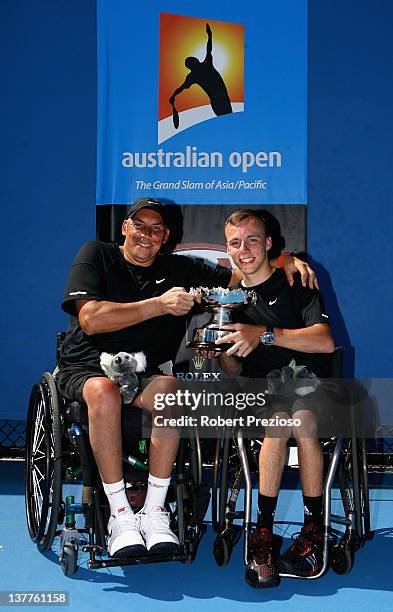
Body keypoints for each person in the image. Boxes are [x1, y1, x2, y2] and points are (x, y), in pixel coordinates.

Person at [58, 198, 317, 559]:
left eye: (156, 229)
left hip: (143, 374)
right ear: (125, 228)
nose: (146, 235)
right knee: (104, 391)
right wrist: (159, 305)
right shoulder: (96, 254)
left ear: (166, 236)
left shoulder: (180, 268)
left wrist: (285, 260)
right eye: (139, 225)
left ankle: (153, 511)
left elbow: (244, 273)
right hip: (86, 369)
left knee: (173, 393)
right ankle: (120, 515)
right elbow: (91, 319)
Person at [212, 209, 335, 588]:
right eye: (236, 242)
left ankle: (313, 532)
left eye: (252, 240)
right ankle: (262, 535)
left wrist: (263, 334)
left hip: (311, 388)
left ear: (269, 244)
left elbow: (325, 342)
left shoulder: (297, 280)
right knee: (281, 418)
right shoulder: (229, 297)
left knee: (300, 417)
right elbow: (234, 371)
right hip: (259, 396)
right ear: (228, 249)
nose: (244, 249)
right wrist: (222, 352)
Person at [169, 23, 232, 122]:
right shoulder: (205, 65)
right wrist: (210, 35)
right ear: (196, 61)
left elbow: (180, 88)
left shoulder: (193, 75)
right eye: (192, 61)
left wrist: (173, 96)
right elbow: (209, 50)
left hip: (218, 101)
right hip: (221, 99)